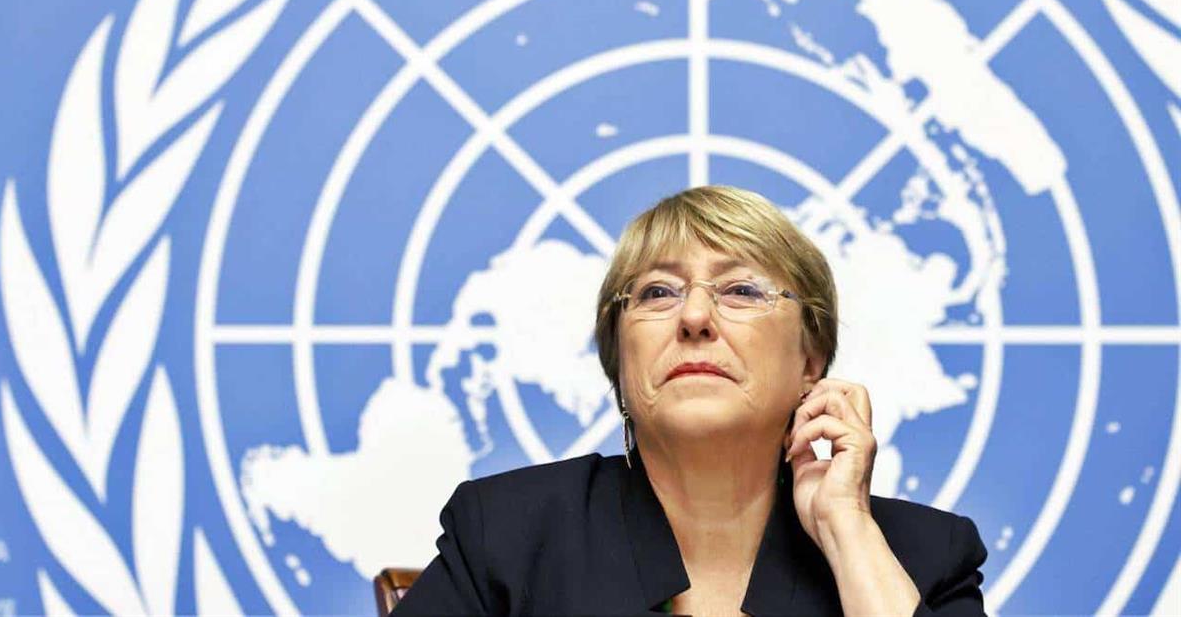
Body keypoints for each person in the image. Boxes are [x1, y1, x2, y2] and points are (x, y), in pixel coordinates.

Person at [391, 185, 987, 616]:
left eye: (742, 289)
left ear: (811, 361)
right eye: (657, 292)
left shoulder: (922, 556)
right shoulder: (506, 534)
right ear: (619, 359)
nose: (695, 315)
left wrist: (847, 531)